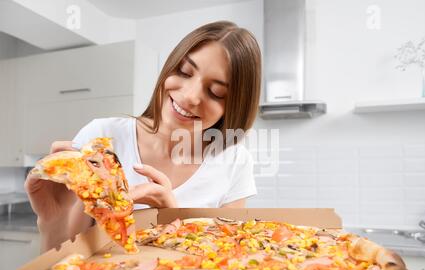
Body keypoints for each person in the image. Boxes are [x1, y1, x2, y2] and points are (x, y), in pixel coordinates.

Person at [24, 21, 262, 252]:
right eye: (184, 72)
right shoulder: (101, 135)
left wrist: (171, 216)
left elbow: (231, 258)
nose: (190, 96)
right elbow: (63, 265)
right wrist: (53, 221)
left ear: (234, 107)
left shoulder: (234, 161)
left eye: (215, 92)